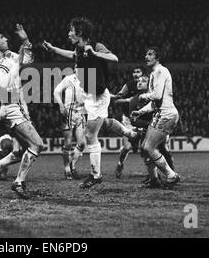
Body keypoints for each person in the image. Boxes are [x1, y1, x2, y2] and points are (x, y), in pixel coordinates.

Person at [43, 17, 136, 189]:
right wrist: (53, 49)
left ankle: (96, 175)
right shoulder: (78, 49)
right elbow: (72, 55)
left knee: (89, 136)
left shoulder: (96, 46)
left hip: (97, 97)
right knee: (103, 125)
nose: (68, 33)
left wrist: (94, 53)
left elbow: (114, 58)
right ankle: (131, 135)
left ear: (80, 33)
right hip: (89, 96)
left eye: (71, 30)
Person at [0, 24, 45, 199]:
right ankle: (18, 182)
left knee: (20, 151)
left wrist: (25, 40)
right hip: (10, 107)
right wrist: (17, 64)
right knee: (38, 145)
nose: (7, 39)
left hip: (19, 104)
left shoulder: (10, 56)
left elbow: (28, 60)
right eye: (2, 38)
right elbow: (2, 84)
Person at [131, 47, 180, 187]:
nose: (146, 56)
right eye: (146, 53)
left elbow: (156, 96)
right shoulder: (154, 73)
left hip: (166, 114)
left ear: (157, 58)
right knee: (146, 148)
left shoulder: (159, 71)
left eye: (150, 54)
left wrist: (143, 95)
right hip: (161, 113)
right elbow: (155, 102)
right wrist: (140, 112)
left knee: (148, 147)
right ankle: (154, 180)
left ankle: (171, 175)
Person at [110, 67, 144, 178]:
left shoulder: (148, 84)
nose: (135, 74)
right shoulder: (128, 86)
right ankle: (120, 164)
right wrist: (129, 100)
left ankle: (154, 174)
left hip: (144, 119)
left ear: (143, 73)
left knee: (147, 148)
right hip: (128, 120)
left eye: (138, 71)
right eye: (134, 71)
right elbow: (117, 100)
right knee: (127, 147)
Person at [53, 73, 85, 180]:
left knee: (81, 143)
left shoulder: (89, 78)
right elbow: (56, 91)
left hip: (82, 112)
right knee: (68, 143)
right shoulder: (69, 79)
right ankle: (67, 169)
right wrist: (61, 105)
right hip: (69, 112)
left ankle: (72, 165)